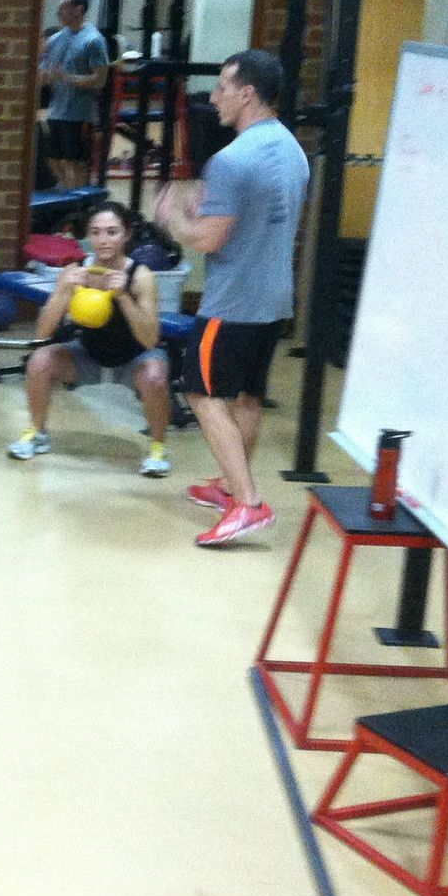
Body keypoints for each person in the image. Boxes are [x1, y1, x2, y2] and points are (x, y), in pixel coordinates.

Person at [155, 48, 309, 547]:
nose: (214, 97)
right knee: (245, 395)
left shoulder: (232, 159)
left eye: (222, 87)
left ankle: (246, 502)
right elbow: (255, 217)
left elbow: (208, 240)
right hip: (273, 298)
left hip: (232, 301)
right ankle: (228, 486)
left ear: (246, 94)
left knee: (201, 392)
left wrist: (173, 218)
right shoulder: (291, 149)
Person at [6, 199, 172, 477]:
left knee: (155, 375)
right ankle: (37, 433)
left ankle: (158, 449)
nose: (103, 240)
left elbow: (150, 339)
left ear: (126, 234)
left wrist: (123, 297)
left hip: (134, 358)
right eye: (95, 232)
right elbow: (42, 332)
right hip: (89, 356)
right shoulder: (76, 271)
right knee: (40, 360)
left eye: (112, 232)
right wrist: (64, 293)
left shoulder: (140, 276)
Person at [40, 0, 109, 191]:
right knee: (53, 159)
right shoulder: (55, 40)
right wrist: (45, 77)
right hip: (57, 110)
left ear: (79, 10)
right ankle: (68, 195)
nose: (59, 12)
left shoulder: (93, 41)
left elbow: (100, 80)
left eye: (64, 8)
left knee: (74, 162)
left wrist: (68, 78)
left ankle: (77, 203)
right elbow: (44, 73)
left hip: (79, 113)